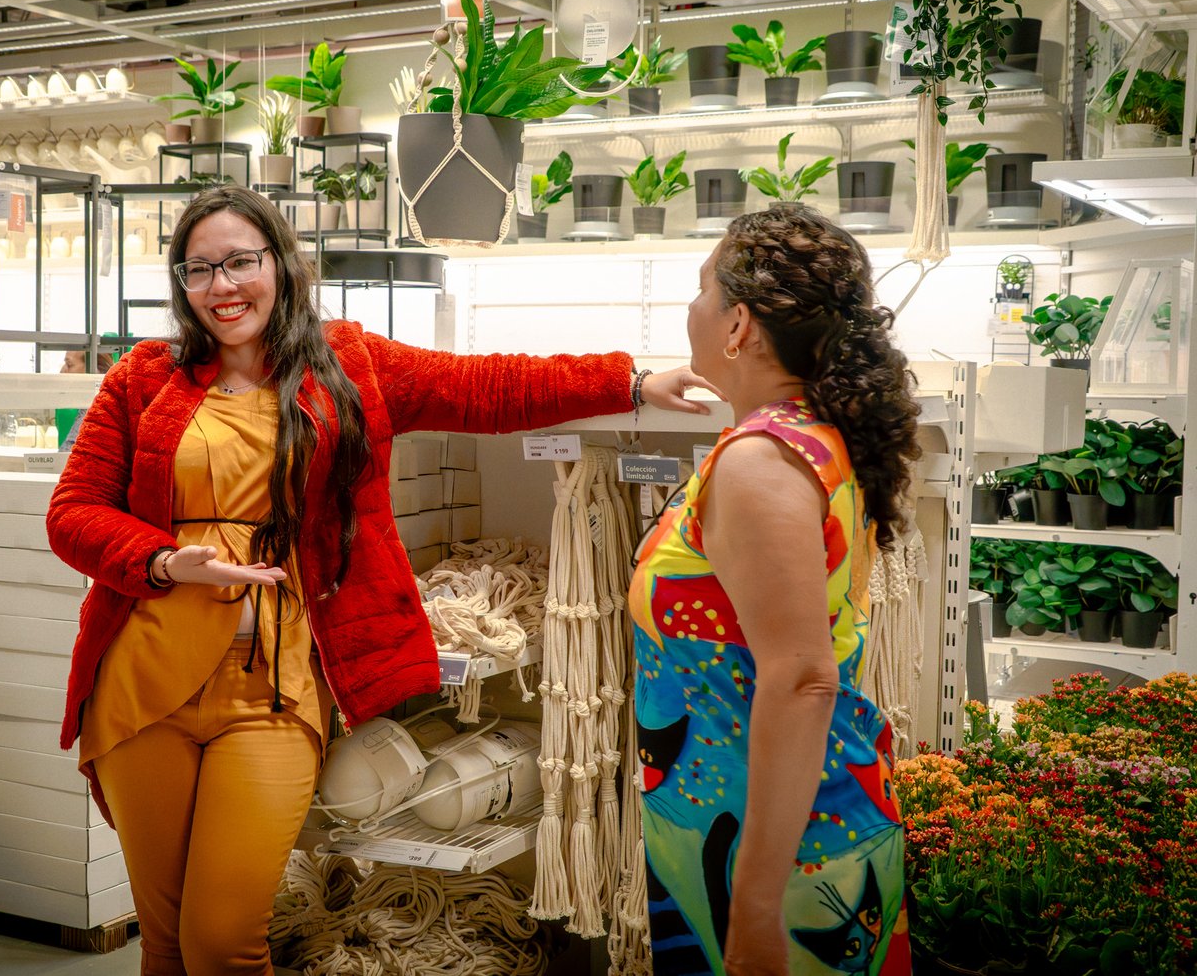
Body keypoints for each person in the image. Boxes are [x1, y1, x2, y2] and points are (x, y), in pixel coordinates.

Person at [46, 184, 716, 975]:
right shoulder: (142, 377)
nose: (222, 285)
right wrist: (162, 560)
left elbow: (485, 387)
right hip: (142, 685)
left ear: (280, 264)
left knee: (222, 943)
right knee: (163, 945)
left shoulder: (348, 364)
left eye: (240, 262)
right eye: (199, 269)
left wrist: (628, 382)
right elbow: (73, 511)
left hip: (272, 694)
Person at [630, 205, 919, 976]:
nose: (690, 306)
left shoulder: (759, 462)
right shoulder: (807, 436)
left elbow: (801, 679)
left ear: (738, 327)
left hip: (784, 865)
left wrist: (755, 905)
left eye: (703, 288)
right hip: (769, 831)